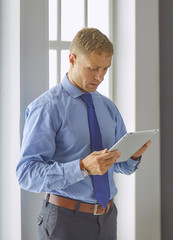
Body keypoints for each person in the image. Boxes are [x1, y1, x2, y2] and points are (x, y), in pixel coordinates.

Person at [16, 28, 151, 240]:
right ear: (72, 59)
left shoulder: (108, 108)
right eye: (93, 68)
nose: (101, 77)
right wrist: (82, 167)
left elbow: (121, 166)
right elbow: (26, 174)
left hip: (106, 219)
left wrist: (133, 155)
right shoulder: (47, 108)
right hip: (64, 221)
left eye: (106, 69)